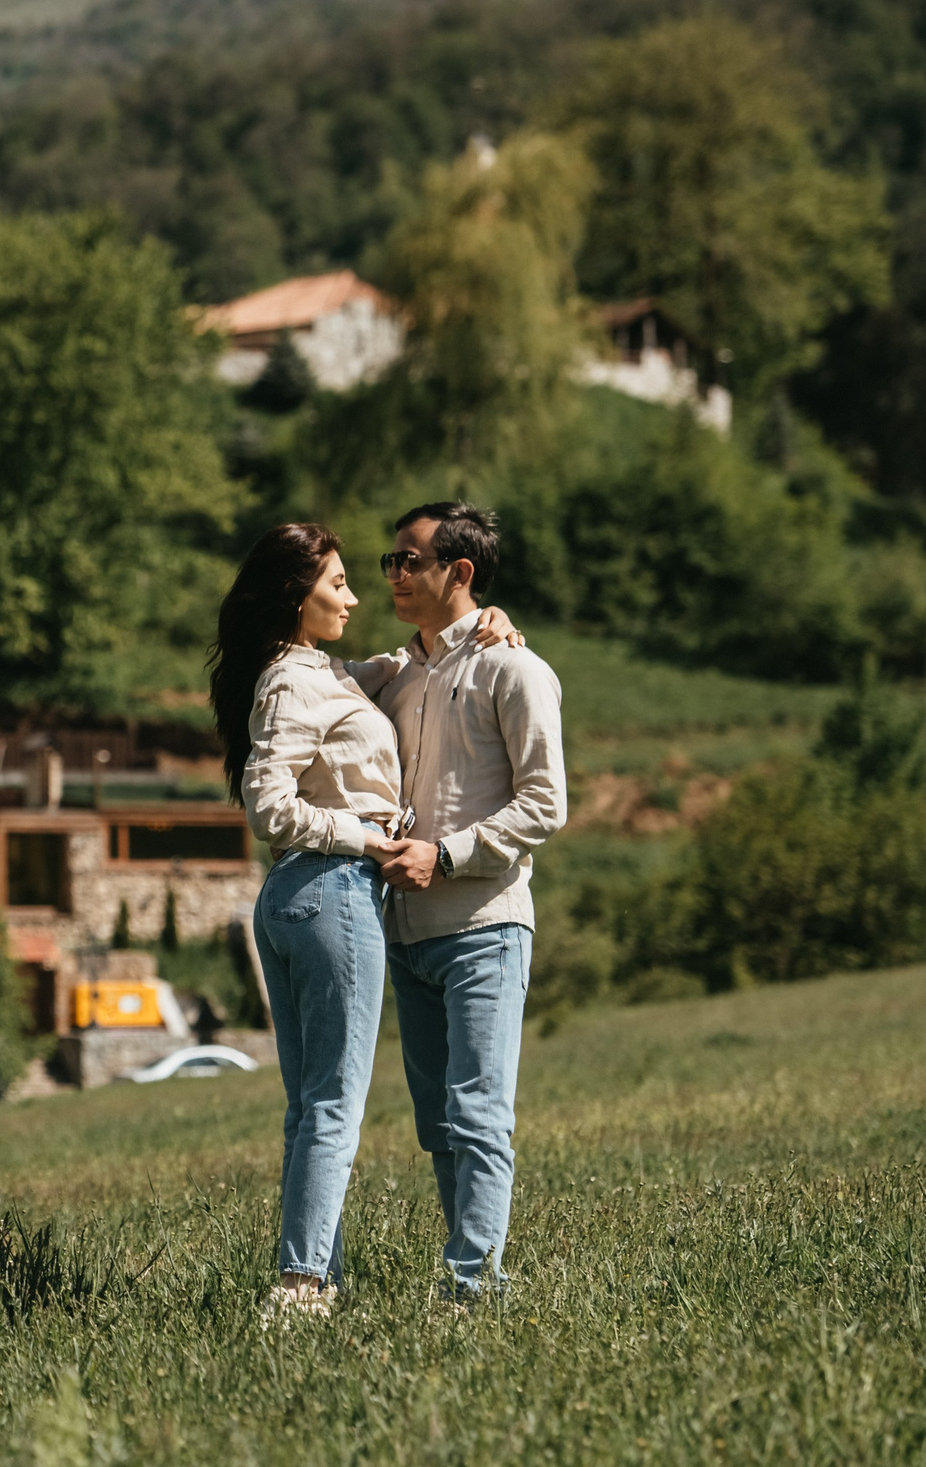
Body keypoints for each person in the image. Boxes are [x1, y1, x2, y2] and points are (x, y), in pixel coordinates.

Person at [208, 522, 523, 1320]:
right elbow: (266, 805)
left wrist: (492, 622)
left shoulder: (332, 674)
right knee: (334, 1102)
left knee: (312, 1102)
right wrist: (364, 835)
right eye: (339, 583)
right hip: (331, 890)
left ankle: (320, 1275)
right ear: (296, 595)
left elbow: (422, 658)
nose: (354, 596)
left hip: (296, 899)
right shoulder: (292, 681)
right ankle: (302, 1285)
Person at [367, 502, 567, 1303]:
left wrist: (446, 852)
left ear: (461, 573)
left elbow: (546, 804)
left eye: (409, 559)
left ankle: (474, 1285)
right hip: (407, 933)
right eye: (389, 560)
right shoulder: (395, 674)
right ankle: (467, 1273)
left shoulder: (514, 669)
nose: (395, 573)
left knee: (480, 1113)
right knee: (438, 1125)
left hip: (486, 925)